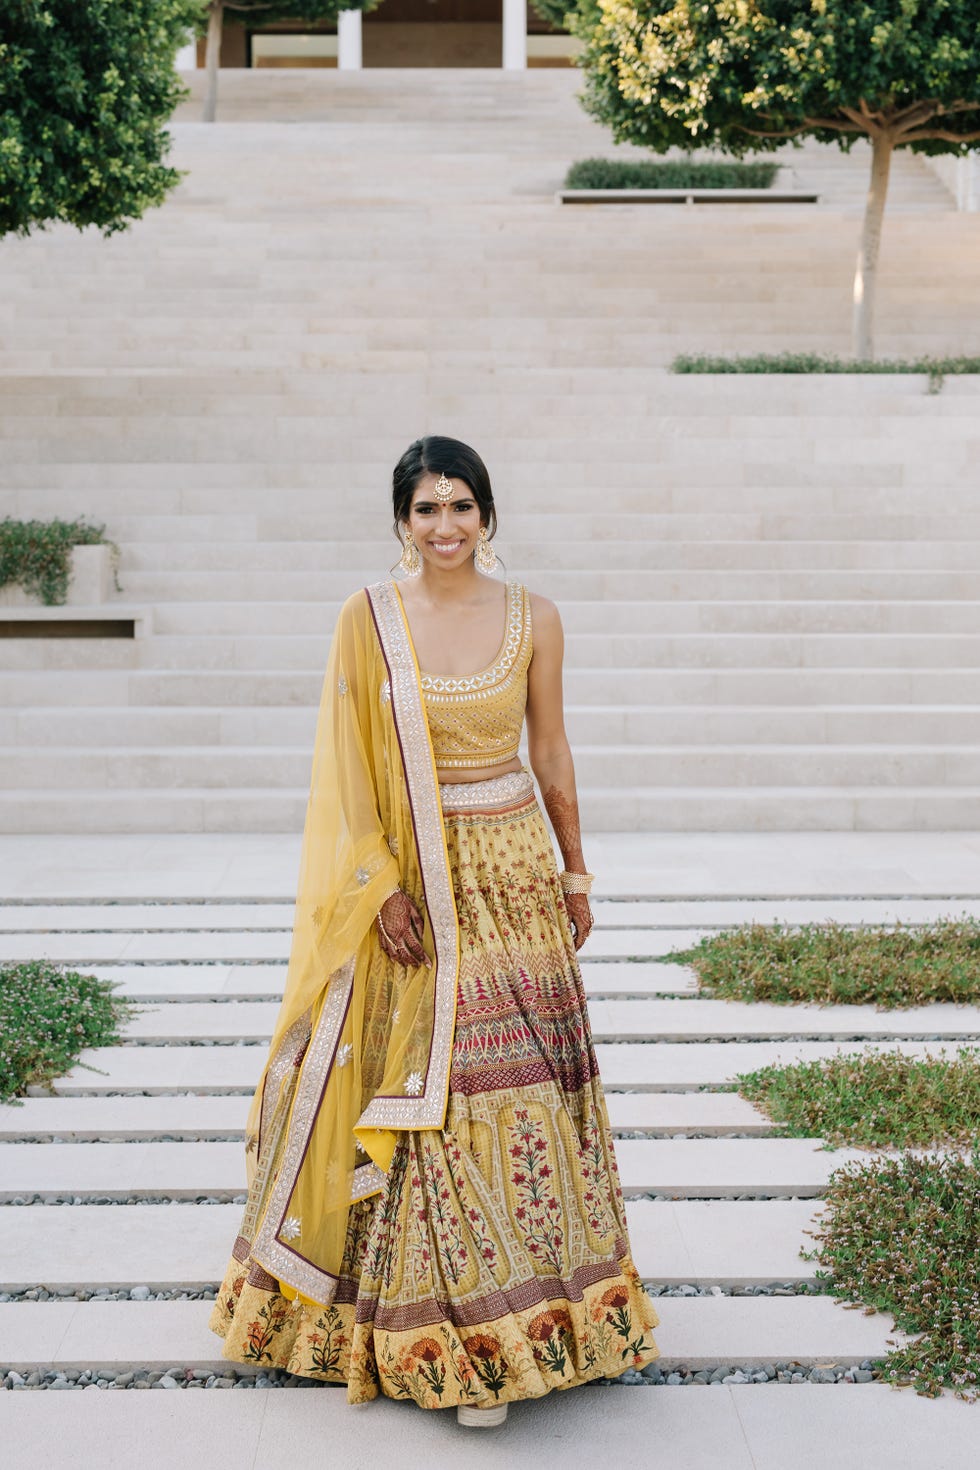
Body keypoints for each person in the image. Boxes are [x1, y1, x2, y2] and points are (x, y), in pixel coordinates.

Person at [209, 435, 659, 1424]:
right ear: (399, 521)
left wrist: (574, 871)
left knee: (519, 1085)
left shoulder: (534, 616)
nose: (445, 525)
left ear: (487, 514)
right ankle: (448, 1339)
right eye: (426, 509)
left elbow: (550, 751)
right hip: (410, 881)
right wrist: (380, 892)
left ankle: (533, 1318)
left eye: (461, 506)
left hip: (509, 871)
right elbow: (348, 768)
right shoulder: (365, 620)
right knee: (425, 1089)